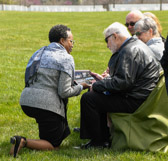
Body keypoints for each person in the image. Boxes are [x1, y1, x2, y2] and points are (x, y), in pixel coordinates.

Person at [10, 24, 90, 157]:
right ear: (62, 41)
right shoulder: (66, 58)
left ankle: (33, 140)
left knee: (49, 132)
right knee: (53, 146)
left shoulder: (38, 52)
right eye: (71, 41)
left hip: (26, 101)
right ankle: (22, 141)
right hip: (46, 106)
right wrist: (82, 86)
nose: (73, 44)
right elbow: (64, 92)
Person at [79, 22, 161, 149]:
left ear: (115, 36)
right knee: (95, 95)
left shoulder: (129, 50)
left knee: (89, 99)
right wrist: (103, 82)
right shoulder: (135, 46)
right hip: (141, 96)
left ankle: (98, 142)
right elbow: (125, 80)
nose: (107, 45)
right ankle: (102, 138)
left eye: (107, 40)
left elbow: (122, 83)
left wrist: (98, 85)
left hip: (136, 100)